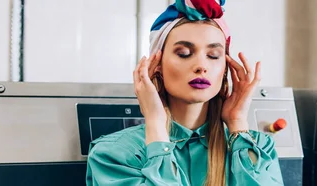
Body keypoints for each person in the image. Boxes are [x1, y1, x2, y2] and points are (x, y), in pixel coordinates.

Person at [85, 1, 284, 185]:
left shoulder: (258, 148)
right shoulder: (114, 155)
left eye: (213, 56)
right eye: (184, 54)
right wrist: (155, 124)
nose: (201, 66)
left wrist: (237, 121)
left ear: (225, 68)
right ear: (157, 66)